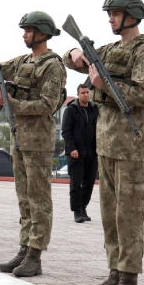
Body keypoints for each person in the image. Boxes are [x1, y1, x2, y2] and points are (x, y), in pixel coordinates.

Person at [65, 0, 144, 285]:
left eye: (116, 13)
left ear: (132, 15)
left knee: (128, 215)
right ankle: (114, 273)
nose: (110, 18)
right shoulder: (106, 50)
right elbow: (69, 59)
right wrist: (74, 53)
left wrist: (105, 85)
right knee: (109, 214)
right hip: (105, 143)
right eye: (109, 13)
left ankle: (129, 283)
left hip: (131, 144)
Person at [0, 12, 67, 277]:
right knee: (24, 199)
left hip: (38, 142)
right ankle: (24, 248)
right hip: (18, 138)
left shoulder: (52, 65)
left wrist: (10, 103)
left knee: (39, 199)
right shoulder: (23, 61)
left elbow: (48, 105)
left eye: (29, 30)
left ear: (42, 33)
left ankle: (35, 254)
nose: (24, 34)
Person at [61, 83, 99, 223]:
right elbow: (66, 131)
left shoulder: (95, 109)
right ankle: (77, 211)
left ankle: (83, 207)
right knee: (76, 183)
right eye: (82, 93)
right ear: (78, 94)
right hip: (75, 153)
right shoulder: (71, 110)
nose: (85, 95)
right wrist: (72, 148)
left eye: (87, 92)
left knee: (89, 182)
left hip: (92, 152)